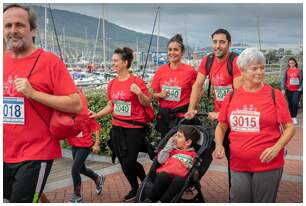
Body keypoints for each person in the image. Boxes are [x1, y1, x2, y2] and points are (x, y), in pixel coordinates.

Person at [3, 4, 82, 203]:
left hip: (35, 152)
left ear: (33, 30)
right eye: (8, 25)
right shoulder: (3, 61)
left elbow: (76, 105)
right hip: (5, 151)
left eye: (19, 25)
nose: (13, 30)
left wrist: (33, 93)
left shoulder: (49, 62)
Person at [214, 48, 295, 203]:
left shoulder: (274, 95)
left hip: (267, 164)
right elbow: (222, 125)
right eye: (254, 68)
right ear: (243, 71)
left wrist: (276, 148)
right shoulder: (231, 96)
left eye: (262, 67)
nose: (260, 72)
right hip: (238, 164)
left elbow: (289, 128)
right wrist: (219, 144)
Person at [89, 47, 151, 202]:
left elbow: (147, 102)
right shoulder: (111, 84)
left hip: (135, 127)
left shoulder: (137, 82)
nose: (113, 63)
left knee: (129, 161)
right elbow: (111, 106)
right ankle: (135, 188)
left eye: (116, 60)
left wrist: (139, 93)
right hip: (117, 127)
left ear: (125, 62)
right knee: (123, 162)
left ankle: (144, 182)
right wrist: (97, 114)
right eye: (113, 61)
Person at [185, 28, 242, 195]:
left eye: (222, 42)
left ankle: (235, 195)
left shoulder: (235, 61)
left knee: (234, 159)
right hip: (219, 120)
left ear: (228, 44)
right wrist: (191, 109)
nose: (218, 45)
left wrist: (222, 113)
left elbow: (238, 95)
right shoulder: (207, 60)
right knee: (203, 151)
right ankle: (189, 183)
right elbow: (197, 85)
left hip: (233, 119)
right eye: (215, 42)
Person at [151, 34, 197, 138]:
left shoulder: (190, 71)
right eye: (170, 50)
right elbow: (153, 94)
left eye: (175, 50)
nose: (172, 53)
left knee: (180, 147)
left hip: (182, 117)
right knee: (164, 146)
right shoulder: (160, 70)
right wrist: (160, 95)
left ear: (182, 52)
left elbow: (197, 92)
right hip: (164, 117)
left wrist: (191, 110)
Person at [67, 89, 105, 203]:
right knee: (81, 169)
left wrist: (97, 144)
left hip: (85, 145)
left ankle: (77, 195)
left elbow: (96, 128)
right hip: (74, 145)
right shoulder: (67, 113)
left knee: (74, 170)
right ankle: (98, 178)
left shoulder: (86, 113)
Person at [144, 125, 200, 203]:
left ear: (188, 142)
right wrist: (168, 147)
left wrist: (192, 168)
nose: (175, 138)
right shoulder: (171, 149)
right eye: (176, 135)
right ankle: (150, 200)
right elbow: (160, 160)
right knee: (163, 175)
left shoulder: (193, 155)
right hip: (164, 176)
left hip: (178, 179)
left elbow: (193, 170)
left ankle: (162, 202)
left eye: (179, 136)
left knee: (180, 180)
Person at [281, 57, 303, 125]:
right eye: (290, 63)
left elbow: (302, 80)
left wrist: (300, 88)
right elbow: (283, 80)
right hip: (288, 90)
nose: (291, 64)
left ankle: (294, 117)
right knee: (290, 104)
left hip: (296, 90)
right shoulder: (287, 71)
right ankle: (290, 117)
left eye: (292, 63)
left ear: (295, 63)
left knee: (295, 103)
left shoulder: (299, 71)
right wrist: (283, 89)